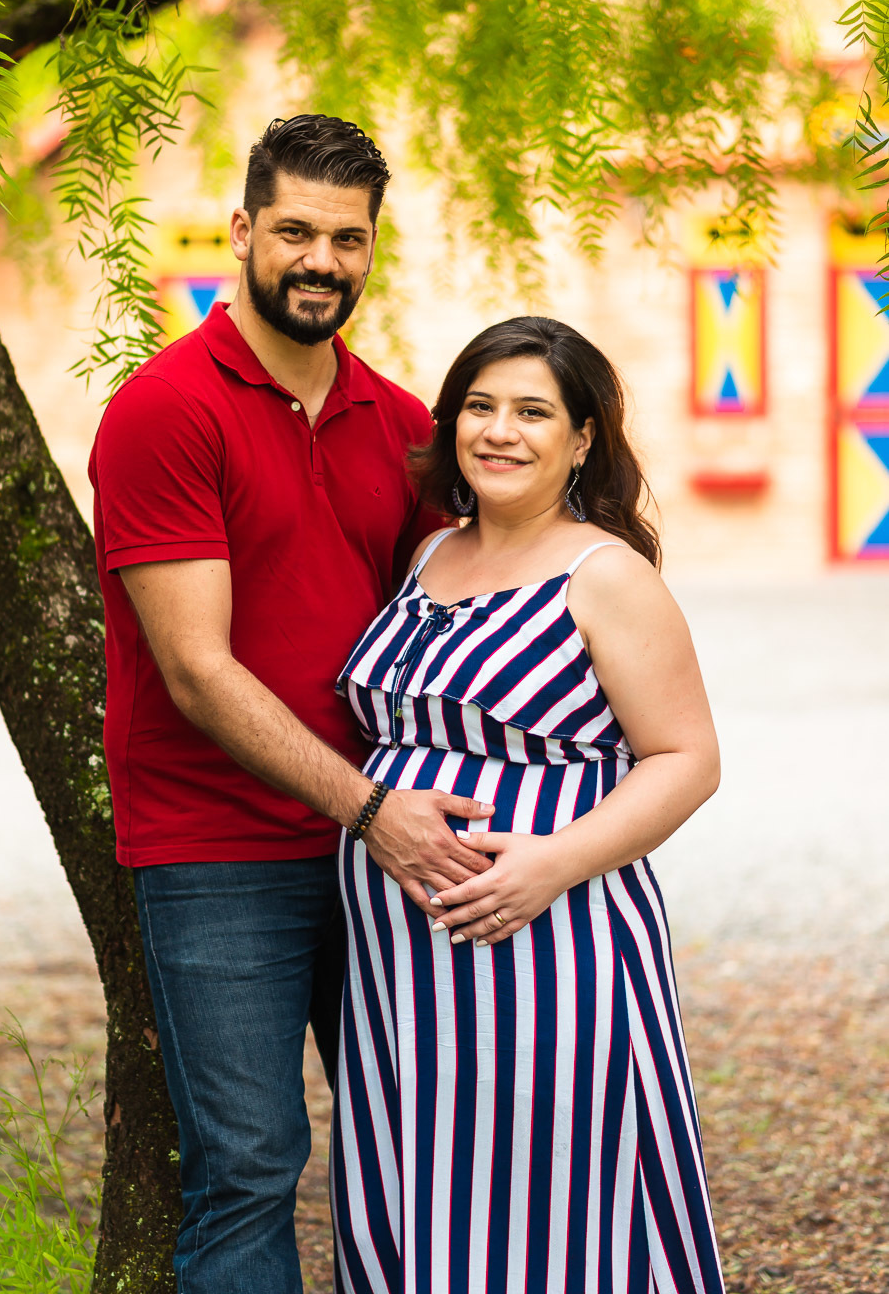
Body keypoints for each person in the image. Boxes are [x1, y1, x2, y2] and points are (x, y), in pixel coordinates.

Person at [88, 114, 496, 1294]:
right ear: (243, 232)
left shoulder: (404, 422)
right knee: (253, 1167)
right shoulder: (168, 408)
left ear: (373, 250)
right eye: (298, 231)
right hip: (220, 851)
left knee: (423, 1152)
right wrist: (377, 809)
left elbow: (464, 620)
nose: (323, 260)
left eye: (349, 239)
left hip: (382, 851)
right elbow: (198, 671)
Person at [333, 315, 725, 1294]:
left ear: (583, 438)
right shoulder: (428, 558)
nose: (499, 430)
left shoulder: (607, 575)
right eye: (480, 406)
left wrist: (551, 862)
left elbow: (687, 757)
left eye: (533, 411)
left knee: (545, 1212)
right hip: (401, 973)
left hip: (551, 951)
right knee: (416, 1187)